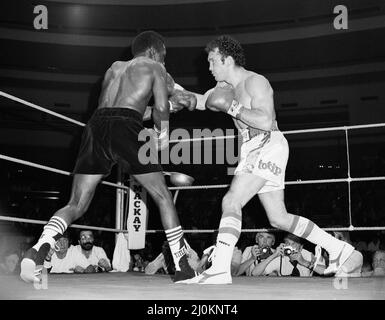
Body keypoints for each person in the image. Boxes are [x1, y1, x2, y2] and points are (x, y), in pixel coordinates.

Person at [20, 30, 197, 283]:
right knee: (162, 195)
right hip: (126, 128)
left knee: (76, 204)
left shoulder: (114, 68)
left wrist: (171, 103)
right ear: (156, 52)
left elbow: (125, 110)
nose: (164, 62)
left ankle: (38, 250)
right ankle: (182, 266)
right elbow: (155, 110)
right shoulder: (155, 66)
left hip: (97, 126)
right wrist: (163, 135)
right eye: (164, 57)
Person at [178, 35, 356, 284]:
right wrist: (170, 89)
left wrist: (231, 108)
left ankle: (219, 269)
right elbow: (197, 100)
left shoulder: (255, 82)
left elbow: (265, 120)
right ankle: (338, 249)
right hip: (256, 147)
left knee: (232, 200)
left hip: (265, 141)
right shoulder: (223, 90)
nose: (209, 67)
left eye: (212, 61)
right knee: (278, 218)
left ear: (227, 60)